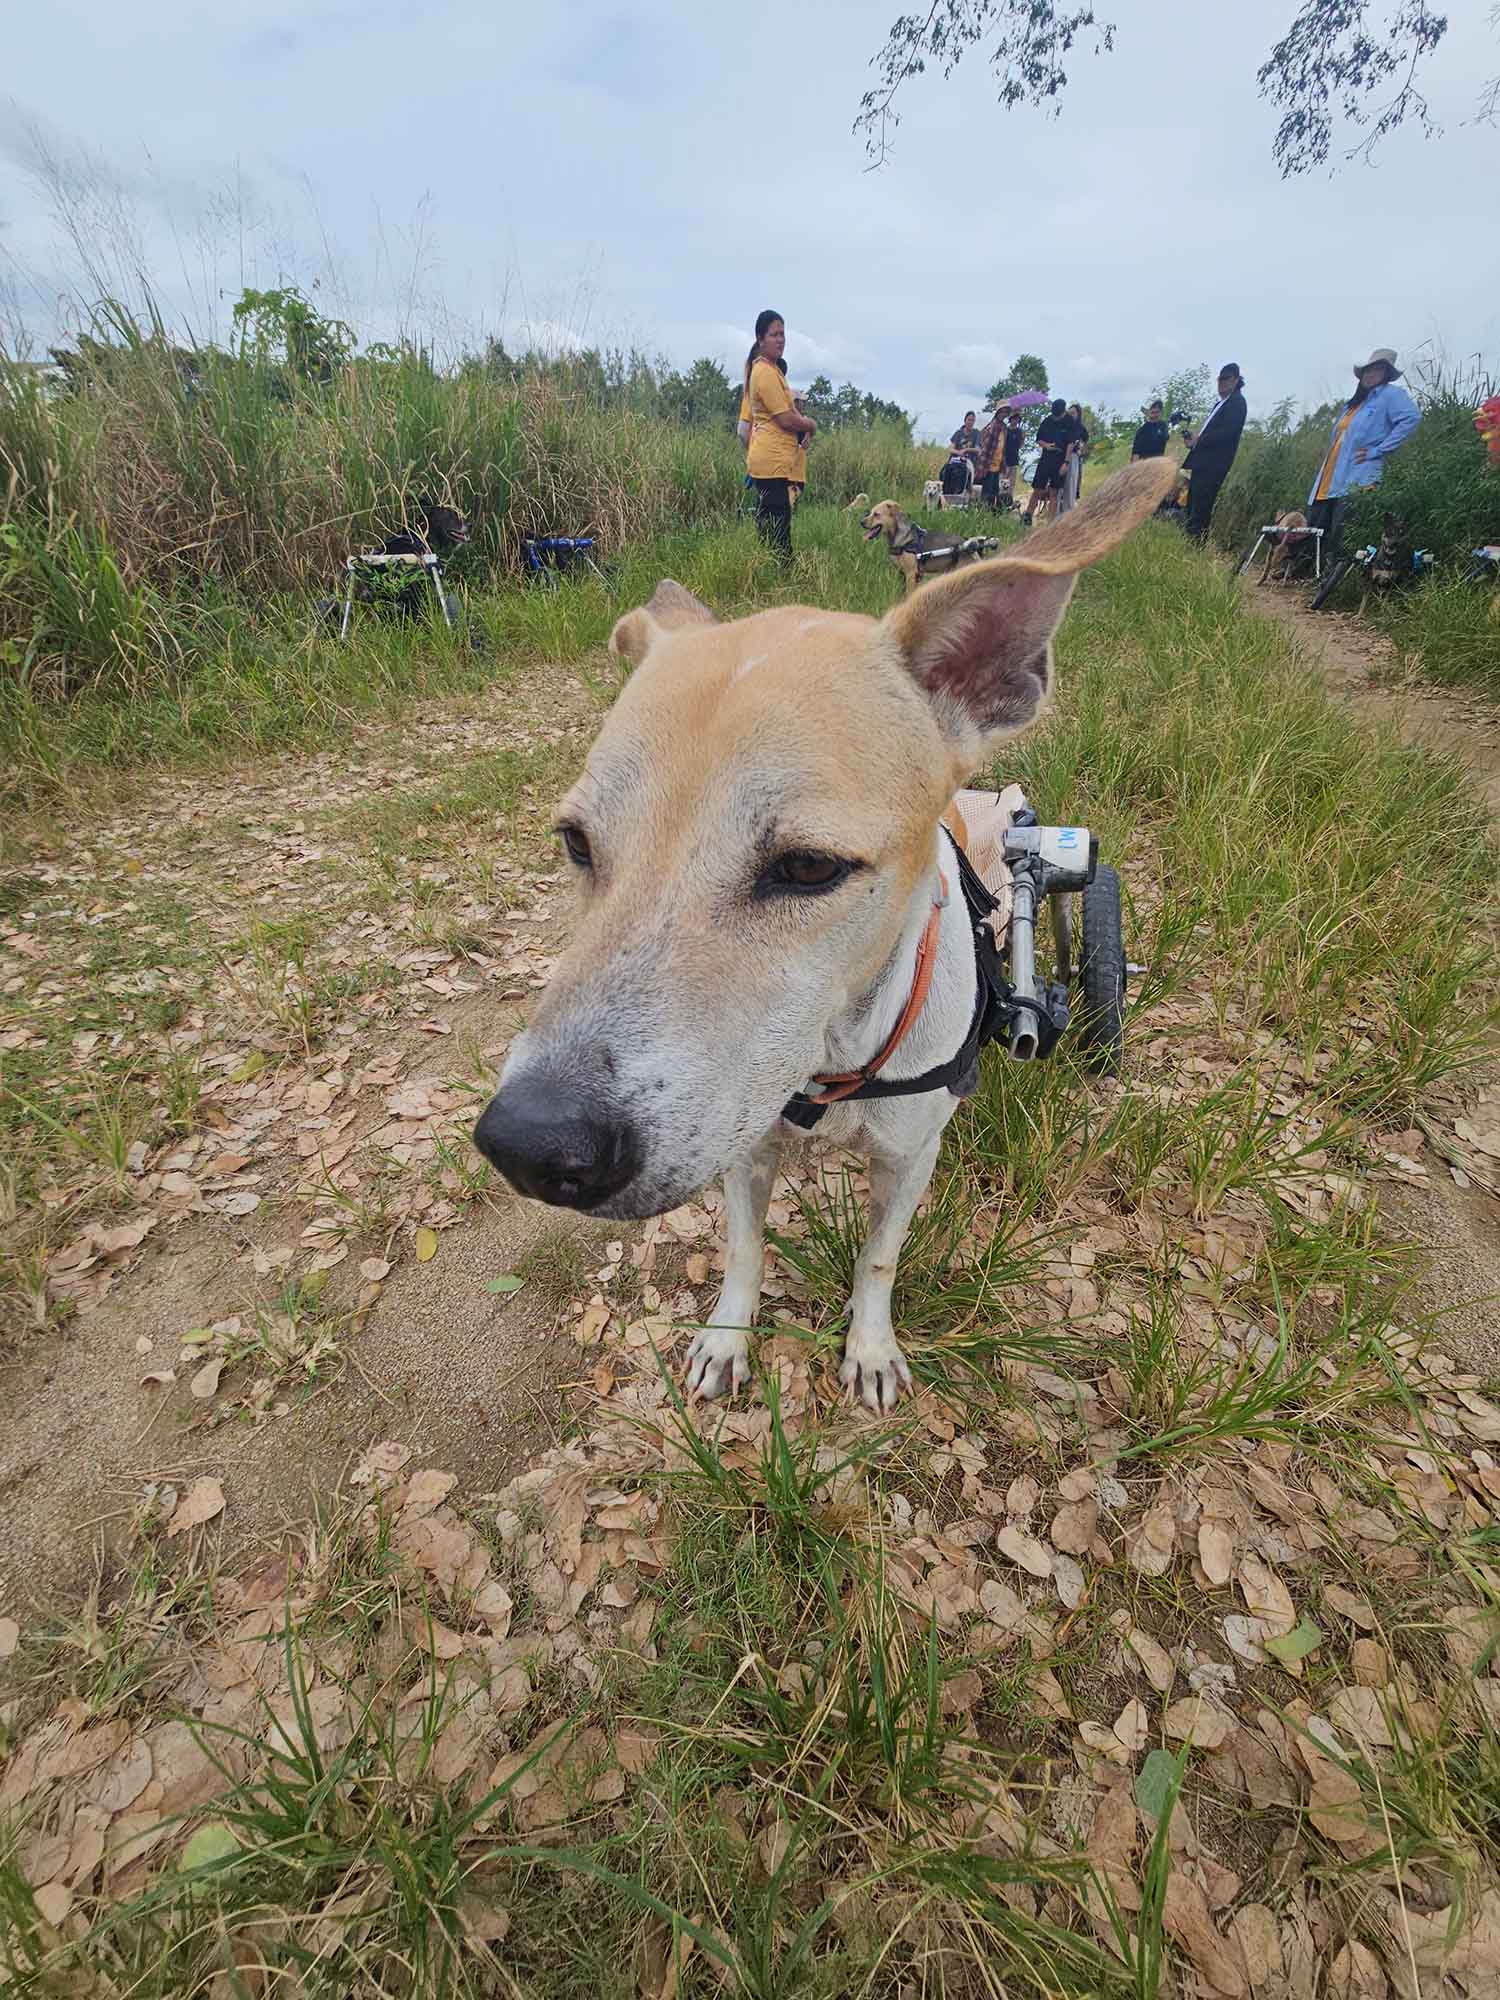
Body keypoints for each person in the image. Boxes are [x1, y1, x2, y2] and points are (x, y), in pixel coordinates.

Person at [1304, 347, 1421, 559]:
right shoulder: (1353, 405)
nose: (1371, 374)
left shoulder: (1390, 395)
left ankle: (1335, 577)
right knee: (1314, 535)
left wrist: (1378, 450)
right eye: (1369, 370)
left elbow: (1411, 418)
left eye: (1378, 370)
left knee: (1342, 537)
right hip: (1328, 480)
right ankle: (1302, 574)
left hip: (1357, 479)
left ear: (1386, 375)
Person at [744, 310, 816, 563]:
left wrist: (805, 429)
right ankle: (781, 571)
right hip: (769, 462)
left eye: (782, 334)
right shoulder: (764, 372)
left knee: (775, 522)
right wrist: (811, 424)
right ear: (760, 338)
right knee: (778, 527)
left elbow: (792, 413)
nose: (780, 340)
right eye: (774, 334)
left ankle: (769, 567)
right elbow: (785, 419)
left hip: (775, 462)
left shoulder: (773, 371)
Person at [1182, 363, 1247, 542]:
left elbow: (1228, 432)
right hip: (1202, 462)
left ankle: (1196, 545)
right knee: (1192, 504)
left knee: (1201, 507)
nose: (1221, 383)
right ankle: (1189, 541)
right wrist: (1194, 442)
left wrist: (1199, 440)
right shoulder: (1220, 404)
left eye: (1225, 379)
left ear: (1235, 380)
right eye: (1219, 379)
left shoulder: (1237, 402)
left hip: (1214, 465)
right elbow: (1211, 434)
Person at [1022, 398, 1072, 526]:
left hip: (1060, 461)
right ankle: (1027, 517)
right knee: (1037, 489)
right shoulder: (1047, 421)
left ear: (1063, 412)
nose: (1056, 418)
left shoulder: (1069, 422)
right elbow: (1039, 439)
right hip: (1046, 459)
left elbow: (1071, 444)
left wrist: (1066, 462)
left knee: (1054, 492)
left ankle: (1050, 524)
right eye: (1054, 415)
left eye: (1058, 416)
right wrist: (1046, 445)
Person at [1056, 402, 1089, 516]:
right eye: (1069, 413)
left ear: (1078, 414)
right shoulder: (1063, 425)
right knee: (1058, 484)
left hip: (1073, 457)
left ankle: (1068, 512)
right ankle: (1056, 512)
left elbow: (1085, 440)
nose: (1071, 415)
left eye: (1073, 413)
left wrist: (1080, 447)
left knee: (1071, 484)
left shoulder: (1080, 428)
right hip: (1060, 456)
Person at [975, 407, 1007, 508]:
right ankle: (984, 511)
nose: (1003, 414)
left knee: (994, 491)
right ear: (998, 413)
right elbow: (986, 446)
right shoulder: (993, 426)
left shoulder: (1004, 427)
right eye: (1002, 412)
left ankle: (990, 511)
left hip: (998, 463)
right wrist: (983, 463)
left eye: (1005, 412)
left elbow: (1004, 447)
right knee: (987, 491)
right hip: (988, 463)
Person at [1000, 410, 1025, 504]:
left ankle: (1009, 501)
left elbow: (1020, 445)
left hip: (1014, 459)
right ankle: (1000, 500)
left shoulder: (1020, 431)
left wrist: (1023, 438)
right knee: (1003, 481)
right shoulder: (1006, 430)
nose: (1015, 420)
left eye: (1017, 419)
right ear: (1010, 419)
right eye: (1014, 418)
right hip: (1005, 459)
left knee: (1012, 483)